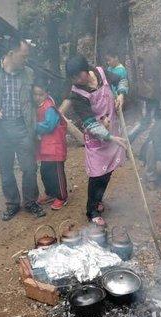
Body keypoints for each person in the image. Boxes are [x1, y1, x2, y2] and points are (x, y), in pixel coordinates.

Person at [0, 36, 46, 221]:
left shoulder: (29, 73)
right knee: (6, 169)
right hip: (0, 129)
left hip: (23, 127)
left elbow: (36, 98)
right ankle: (13, 203)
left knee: (30, 168)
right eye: (23, 56)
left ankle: (31, 202)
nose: (26, 59)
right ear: (11, 54)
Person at [61, 54, 128, 226]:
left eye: (78, 75)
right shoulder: (77, 94)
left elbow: (121, 80)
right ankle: (91, 211)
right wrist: (109, 137)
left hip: (112, 129)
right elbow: (90, 123)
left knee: (108, 170)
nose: (76, 80)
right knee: (97, 174)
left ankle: (99, 200)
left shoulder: (101, 73)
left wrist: (121, 94)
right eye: (73, 77)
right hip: (97, 139)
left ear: (86, 70)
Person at [129, 30, 161, 143]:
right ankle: (128, 140)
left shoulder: (158, 52)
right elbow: (153, 75)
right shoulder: (154, 54)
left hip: (153, 93)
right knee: (146, 122)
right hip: (150, 94)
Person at [33, 77, 68, 210]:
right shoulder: (38, 107)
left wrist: (33, 126)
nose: (37, 97)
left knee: (57, 173)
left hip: (56, 147)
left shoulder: (50, 107)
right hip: (46, 147)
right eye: (35, 94)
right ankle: (50, 193)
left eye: (40, 94)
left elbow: (49, 126)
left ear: (46, 94)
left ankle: (62, 196)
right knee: (45, 171)